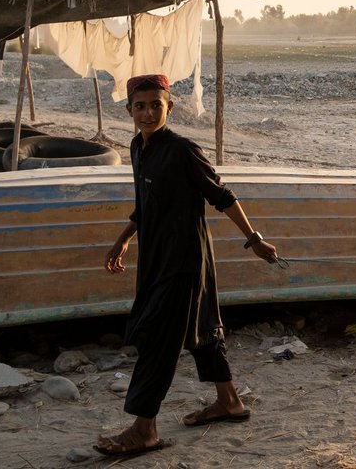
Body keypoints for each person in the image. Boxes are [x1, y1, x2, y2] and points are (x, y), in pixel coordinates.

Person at [94, 74, 279, 458]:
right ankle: (230, 401)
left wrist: (254, 239)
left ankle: (144, 428)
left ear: (169, 107)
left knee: (157, 339)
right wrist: (124, 236)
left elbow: (222, 196)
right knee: (202, 328)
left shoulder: (182, 150)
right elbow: (145, 202)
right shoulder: (136, 147)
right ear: (129, 109)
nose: (147, 113)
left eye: (155, 106)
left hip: (184, 259)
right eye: (140, 106)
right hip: (156, 256)